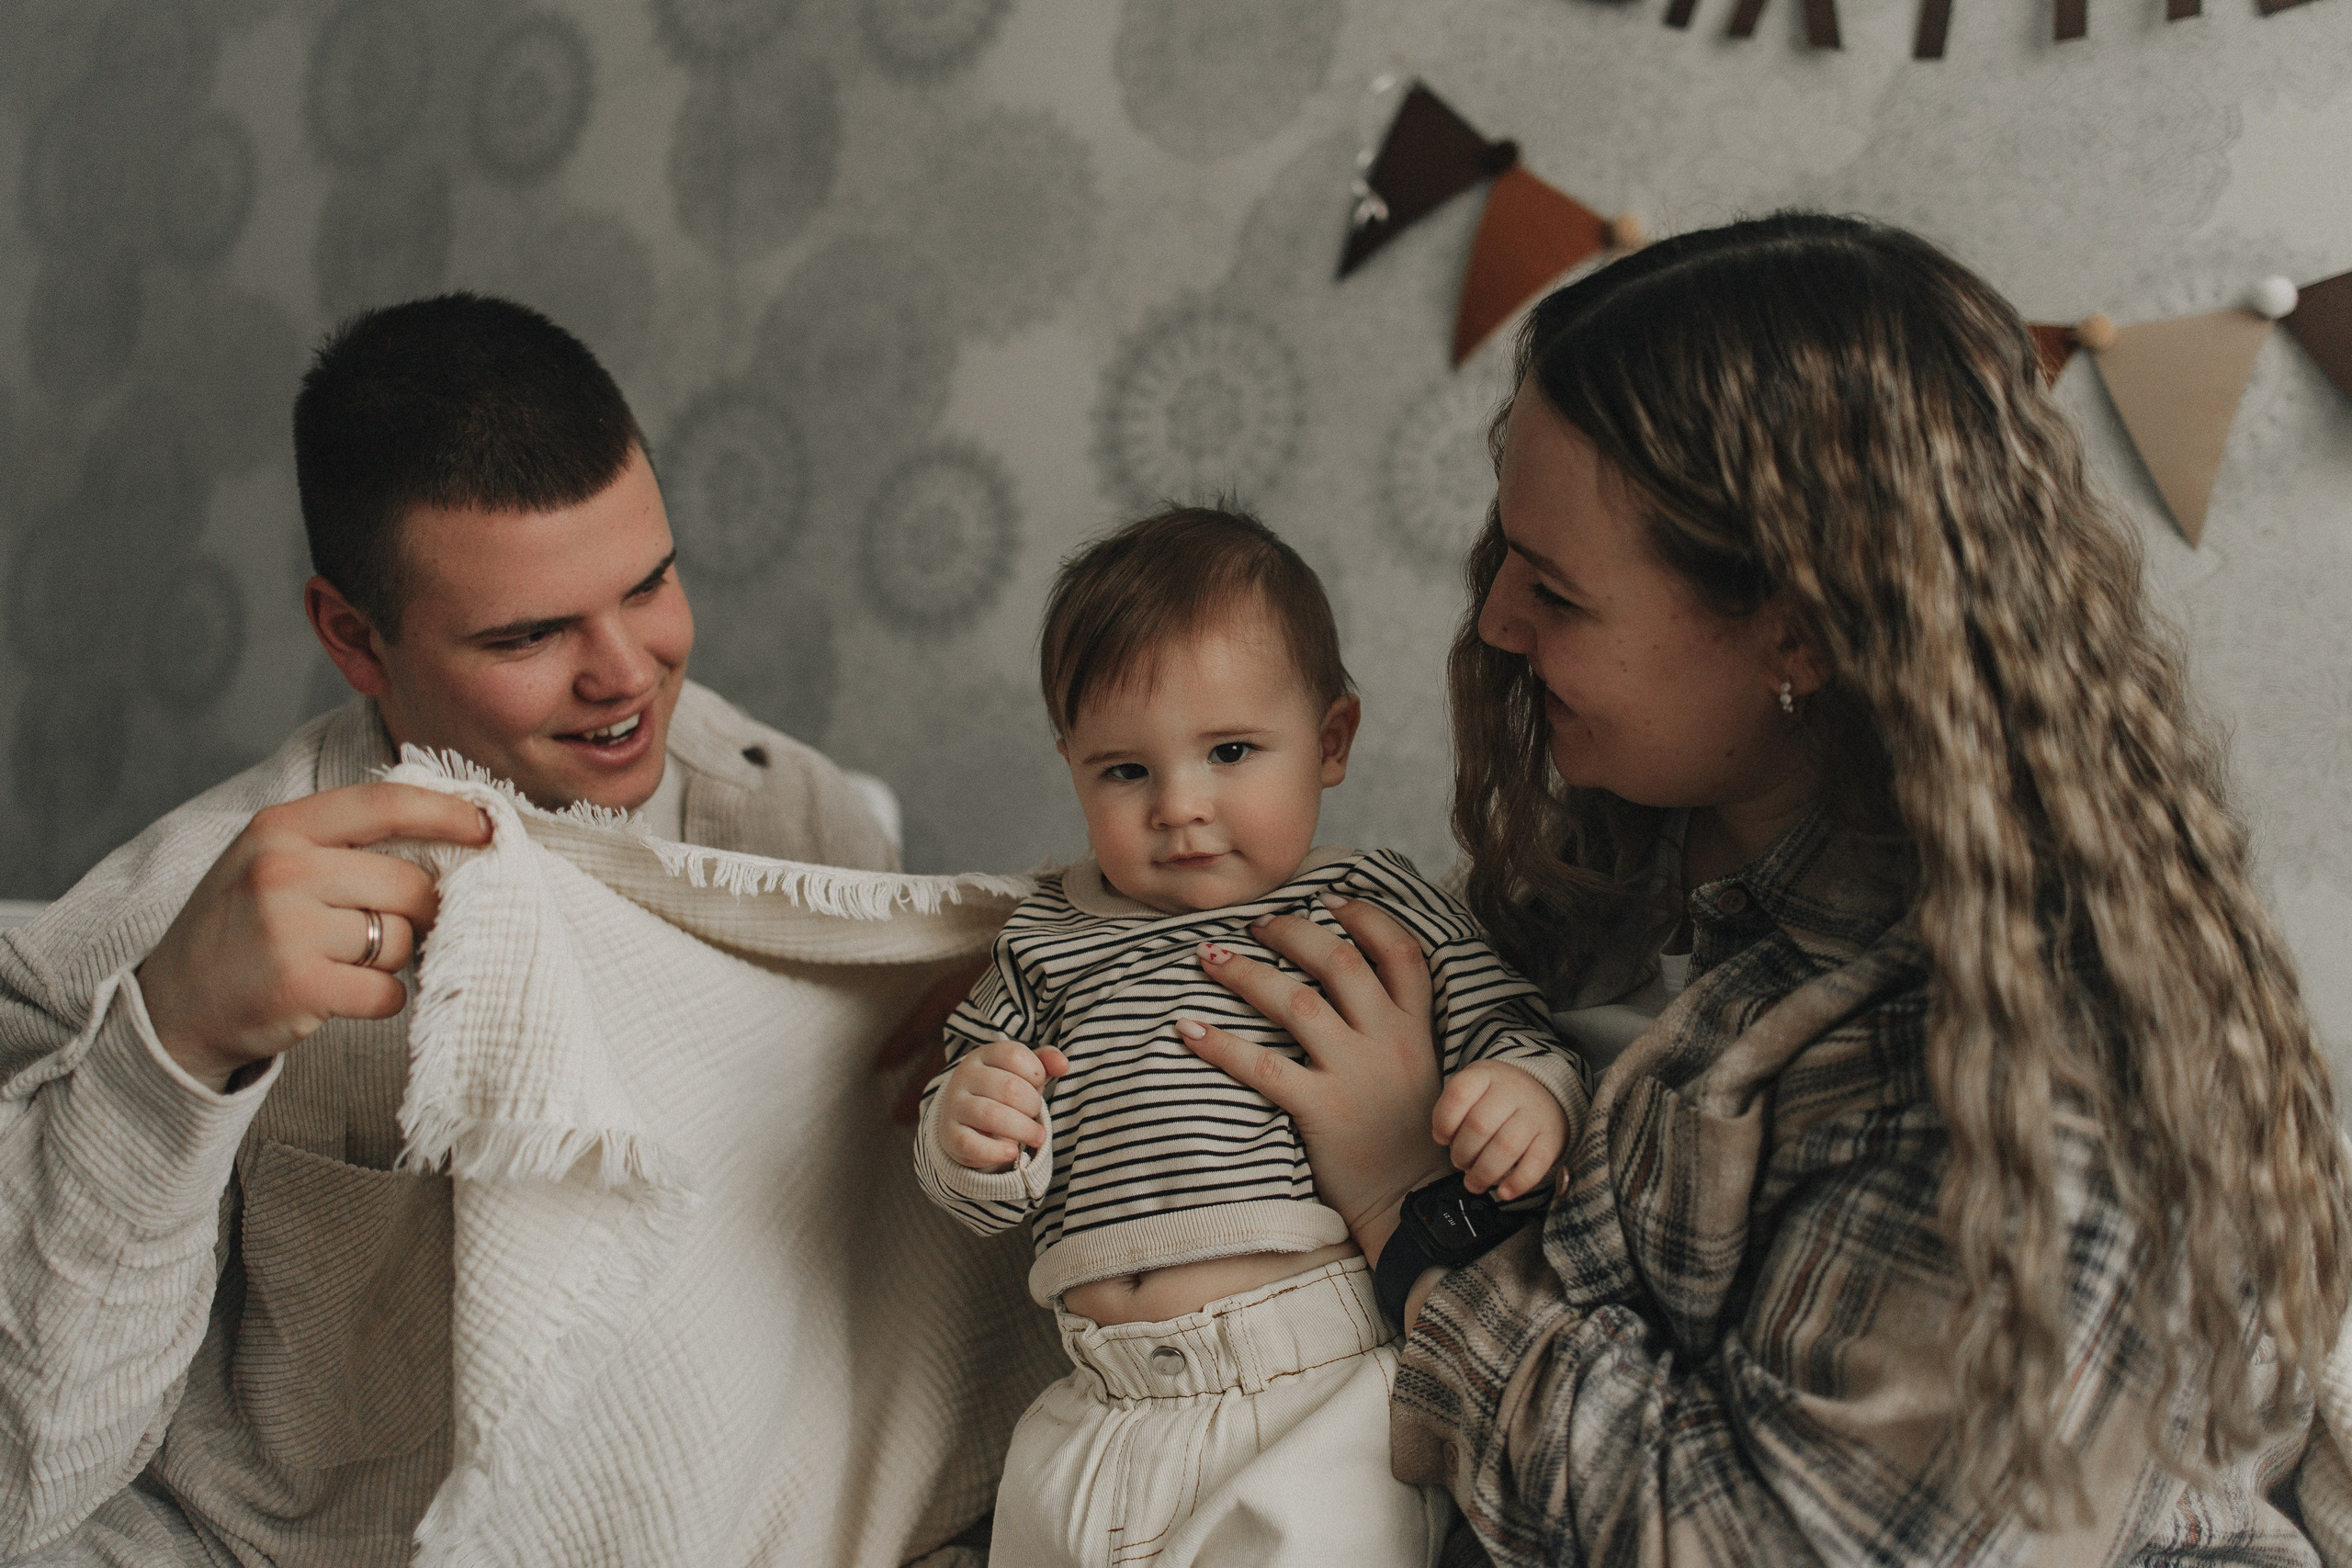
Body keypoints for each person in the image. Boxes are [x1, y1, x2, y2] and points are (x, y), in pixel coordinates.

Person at [1175, 214, 2352, 1563]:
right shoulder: (1638, 853)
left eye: (1556, 591)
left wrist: (1409, 1208)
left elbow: (1771, 1541)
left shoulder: (2016, 1079)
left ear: (1797, 626)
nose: (1496, 620)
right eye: (1507, 555)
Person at [0, 294, 909, 1564]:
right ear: (353, 636)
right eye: (528, 634)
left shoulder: (803, 827)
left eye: (648, 583)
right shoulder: (153, 928)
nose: (626, 673)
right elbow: (21, 1474)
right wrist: (175, 1050)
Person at [912, 509, 1587, 1568]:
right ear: (1071, 765)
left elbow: (1509, 1025)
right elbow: (972, 1176)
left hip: (1311, 1392)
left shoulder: (1367, 902)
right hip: (1095, 1403)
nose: (1180, 807)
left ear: (1330, 742)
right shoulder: (1044, 936)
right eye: (1124, 771)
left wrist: (1529, 1091)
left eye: (1229, 751)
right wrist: (968, 1127)